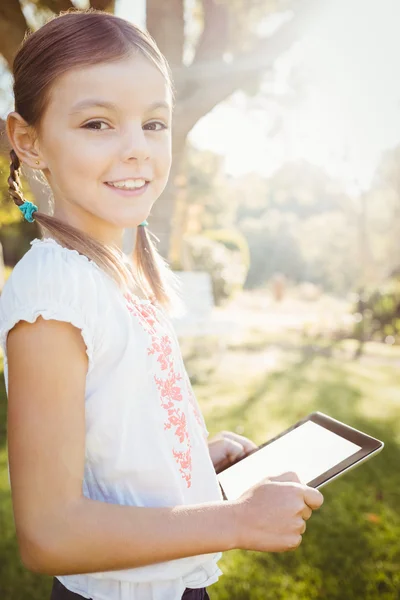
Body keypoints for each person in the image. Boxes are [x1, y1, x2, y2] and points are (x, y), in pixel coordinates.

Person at [0, 9, 324, 600]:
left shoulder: (117, 272)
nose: (137, 150)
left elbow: (109, 446)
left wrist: (194, 462)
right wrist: (236, 521)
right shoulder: (54, 289)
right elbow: (48, 534)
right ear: (28, 140)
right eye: (97, 123)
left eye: (154, 124)